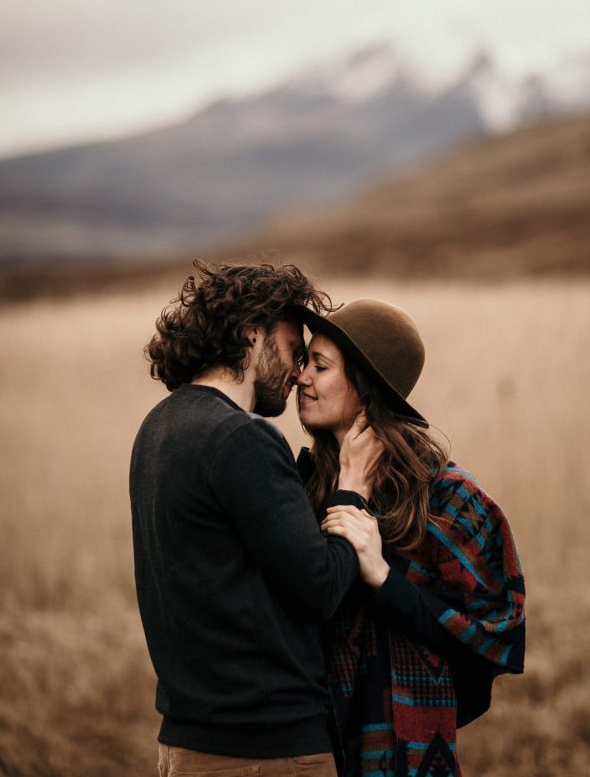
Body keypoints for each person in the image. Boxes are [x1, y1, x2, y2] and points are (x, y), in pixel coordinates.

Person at [130, 262, 381, 777]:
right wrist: (352, 489)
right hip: (265, 751)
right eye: (293, 351)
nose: (297, 373)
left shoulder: (158, 427)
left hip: (188, 744)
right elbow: (319, 586)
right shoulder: (240, 438)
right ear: (251, 334)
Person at [295, 298, 526, 777]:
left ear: (366, 384)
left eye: (319, 366)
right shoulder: (301, 486)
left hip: (411, 754)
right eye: (303, 363)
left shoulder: (447, 499)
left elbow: (496, 634)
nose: (302, 377)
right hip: (313, 745)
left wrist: (383, 577)